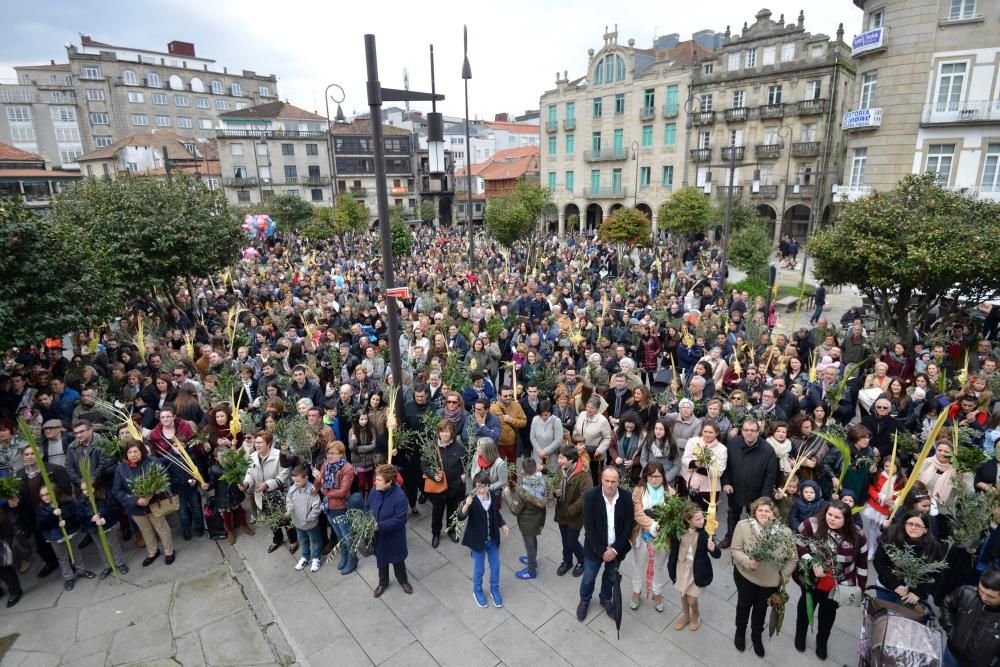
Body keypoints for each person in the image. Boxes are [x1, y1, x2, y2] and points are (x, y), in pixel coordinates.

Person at [793, 500, 867, 659]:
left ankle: (821, 642)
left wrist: (861, 588)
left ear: (846, 519)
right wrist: (811, 561)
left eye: (837, 517)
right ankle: (800, 636)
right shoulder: (811, 524)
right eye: (830, 514)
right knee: (805, 611)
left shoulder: (858, 535)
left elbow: (862, 563)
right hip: (811, 581)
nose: (832, 519)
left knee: (827, 617)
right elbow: (799, 544)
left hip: (837, 587)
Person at [731, 497, 798, 657]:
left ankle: (756, 635)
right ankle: (740, 631)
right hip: (746, 577)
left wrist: (783, 576)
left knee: (761, 610)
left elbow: (792, 559)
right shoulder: (743, 526)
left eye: (767, 510)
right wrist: (748, 562)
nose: (763, 513)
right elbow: (735, 550)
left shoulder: (785, 533)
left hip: (770, 583)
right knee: (743, 606)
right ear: (754, 512)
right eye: (760, 510)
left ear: (774, 514)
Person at [576, 466, 633, 622]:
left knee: (610, 577)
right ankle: (585, 600)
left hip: (617, 550)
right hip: (595, 548)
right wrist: (603, 551)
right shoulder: (590, 496)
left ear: (618, 481)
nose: (609, 485)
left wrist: (614, 550)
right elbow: (589, 527)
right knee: (588, 577)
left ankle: (605, 599)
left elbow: (628, 526)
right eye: (606, 481)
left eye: (613, 481)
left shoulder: (627, 497)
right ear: (601, 480)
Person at [112, 440, 176, 567]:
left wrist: (152, 494)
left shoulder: (153, 461)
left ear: (142, 451)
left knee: (161, 527)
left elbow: (165, 479)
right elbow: (117, 490)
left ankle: (169, 551)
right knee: (145, 530)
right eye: (129, 452)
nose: (133, 454)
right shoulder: (121, 468)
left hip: (154, 503)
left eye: (136, 451)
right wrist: (136, 500)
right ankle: (153, 552)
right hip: (135, 507)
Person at [720, 419, 778, 547]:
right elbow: (726, 466)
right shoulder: (733, 443)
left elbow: (770, 476)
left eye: (752, 430)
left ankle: (750, 542)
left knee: (753, 519)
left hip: (756, 492)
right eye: (746, 430)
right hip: (735, 488)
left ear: (758, 432)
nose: (749, 433)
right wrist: (726, 483)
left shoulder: (768, 450)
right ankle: (730, 537)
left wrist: (764, 497)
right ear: (742, 430)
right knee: (732, 515)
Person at [667, 501, 722, 631]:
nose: (702, 520)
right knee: (683, 594)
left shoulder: (705, 533)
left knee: (691, 599)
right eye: (697, 519)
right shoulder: (679, 530)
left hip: (697, 569)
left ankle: (695, 614)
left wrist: (713, 548)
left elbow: (717, 554)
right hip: (682, 566)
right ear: (688, 519)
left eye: (702, 517)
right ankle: (686, 616)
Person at [457, 471, 509, 608]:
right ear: (475, 487)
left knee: (496, 567)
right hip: (478, 542)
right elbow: (460, 516)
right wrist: (467, 505)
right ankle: (477, 590)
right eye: (479, 486)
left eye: (485, 486)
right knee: (479, 569)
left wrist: (502, 524)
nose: (483, 489)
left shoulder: (491, 495)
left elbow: (495, 513)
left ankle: (494, 589)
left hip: (492, 540)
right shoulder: (471, 498)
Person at [872, 511, 944, 607]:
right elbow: (879, 561)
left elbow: (935, 574)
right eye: (910, 524)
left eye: (918, 525)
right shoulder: (891, 536)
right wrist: (895, 584)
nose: (913, 528)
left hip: (913, 597)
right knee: (882, 617)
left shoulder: (933, 547)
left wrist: (918, 593)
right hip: (887, 588)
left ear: (926, 530)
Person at [35, 484, 95, 591]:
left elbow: (75, 516)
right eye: (42, 495)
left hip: (68, 532)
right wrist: (52, 516)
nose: (45, 497)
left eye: (48, 494)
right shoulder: (41, 509)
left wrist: (65, 521)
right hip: (55, 537)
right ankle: (69, 577)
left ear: (55, 492)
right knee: (62, 557)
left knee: (75, 551)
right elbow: (41, 525)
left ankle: (81, 570)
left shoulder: (66, 503)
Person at [242, 432, 294, 555]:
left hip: (279, 494)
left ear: (269, 444)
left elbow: (284, 475)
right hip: (262, 495)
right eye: (256, 442)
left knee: (286, 520)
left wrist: (267, 484)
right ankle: (277, 539)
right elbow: (249, 474)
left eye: (260, 442)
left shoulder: (279, 455)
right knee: (271, 519)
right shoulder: (253, 456)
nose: (257, 445)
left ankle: (293, 541)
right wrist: (246, 484)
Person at [629, 461, 672, 612]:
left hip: (663, 538)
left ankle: (657, 592)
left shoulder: (670, 492)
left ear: (663, 477)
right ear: (646, 476)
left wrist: (662, 526)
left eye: (658, 476)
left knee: (658, 567)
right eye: (651, 476)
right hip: (642, 535)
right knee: (639, 564)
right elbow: (638, 514)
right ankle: (636, 591)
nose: (654, 479)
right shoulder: (639, 491)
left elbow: (673, 516)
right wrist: (654, 526)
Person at [366, 464, 412, 597]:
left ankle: (403, 580)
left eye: (379, 480)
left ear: (389, 482)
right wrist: (367, 519)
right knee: (382, 561)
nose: (375, 482)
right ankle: (383, 583)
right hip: (379, 538)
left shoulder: (400, 497)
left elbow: (400, 520)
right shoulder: (375, 490)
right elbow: (367, 506)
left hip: (394, 538)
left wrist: (379, 526)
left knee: (398, 561)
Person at [940, 566, 1000, 667]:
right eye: (981, 591)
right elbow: (947, 606)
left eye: (990, 596)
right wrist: (951, 629)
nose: (983, 597)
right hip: (952, 655)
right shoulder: (966, 592)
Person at [313, 441, 356, 574]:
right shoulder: (325, 464)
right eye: (328, 453)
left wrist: (325, 492)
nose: (329, 456)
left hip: (340, 506)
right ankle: (344, 556)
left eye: (333, 453)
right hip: (328, 506)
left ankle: (353, 559)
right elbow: (317, 486)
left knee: (346, 535)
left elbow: (343, 492)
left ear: (341, 454)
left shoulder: (347, 468)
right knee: (338, 534)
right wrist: (318, 478)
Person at [423, 419, 466, 549]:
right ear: (438, 432)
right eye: (442, 432)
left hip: (455, 487)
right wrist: (432, 474)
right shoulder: (432, 447)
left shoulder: (459, 448)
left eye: (447, 432)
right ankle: (436, 533)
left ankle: (451, 530)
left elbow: (466, 463)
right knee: (437, 512)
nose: (445, 435)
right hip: (438, 489)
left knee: (453, 511)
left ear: (452, 433)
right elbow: (423, 464)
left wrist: (464, 474)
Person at [503, 458, 547, 580]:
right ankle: (532, 559)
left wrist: (507, 495)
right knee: (533, 541)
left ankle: (531, 570)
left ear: (523, 470)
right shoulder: (542, 478)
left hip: (528, 522)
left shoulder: (522, 490)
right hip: (539, 518)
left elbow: (514, 510)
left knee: (529, 544)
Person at [203, 447, 254, 545]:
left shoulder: (233, 465)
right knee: (226, 514)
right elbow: (213, 482)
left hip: (234, 492)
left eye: (226, 455)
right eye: (221, 456)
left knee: (239, 510)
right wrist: (208, 486)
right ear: (216, 458)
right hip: (222, 494)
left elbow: (240, 476)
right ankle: (230, 531)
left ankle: (244, 526)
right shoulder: (214, 469)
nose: (224, 458)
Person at [554, 446, 592, 578]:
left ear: (571, 460)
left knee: (572, 541)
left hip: (575, 515)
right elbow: (555, 484)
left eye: (561, 458)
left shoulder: (583, 474)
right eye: (559, 457)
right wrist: (555, 492)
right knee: (565, 540)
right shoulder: (562, 469)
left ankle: (582, 560)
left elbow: (585, 497)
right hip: (561, 512)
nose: (559, 461)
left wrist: (570, 510)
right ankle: (567, 561)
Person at [286, 465, 323, 573]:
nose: (295, 484)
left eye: (297, 481)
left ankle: (316, 558)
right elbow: (289, 500)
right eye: (293, 481)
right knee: (303, 540)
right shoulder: (292, 489)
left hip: (310, 524)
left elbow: (317, 507)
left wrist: (308, 518)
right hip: (298, 523)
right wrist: (289, 510)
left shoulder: (312, 490)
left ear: (306, 478)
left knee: (315, 541)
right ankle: (305, 557)